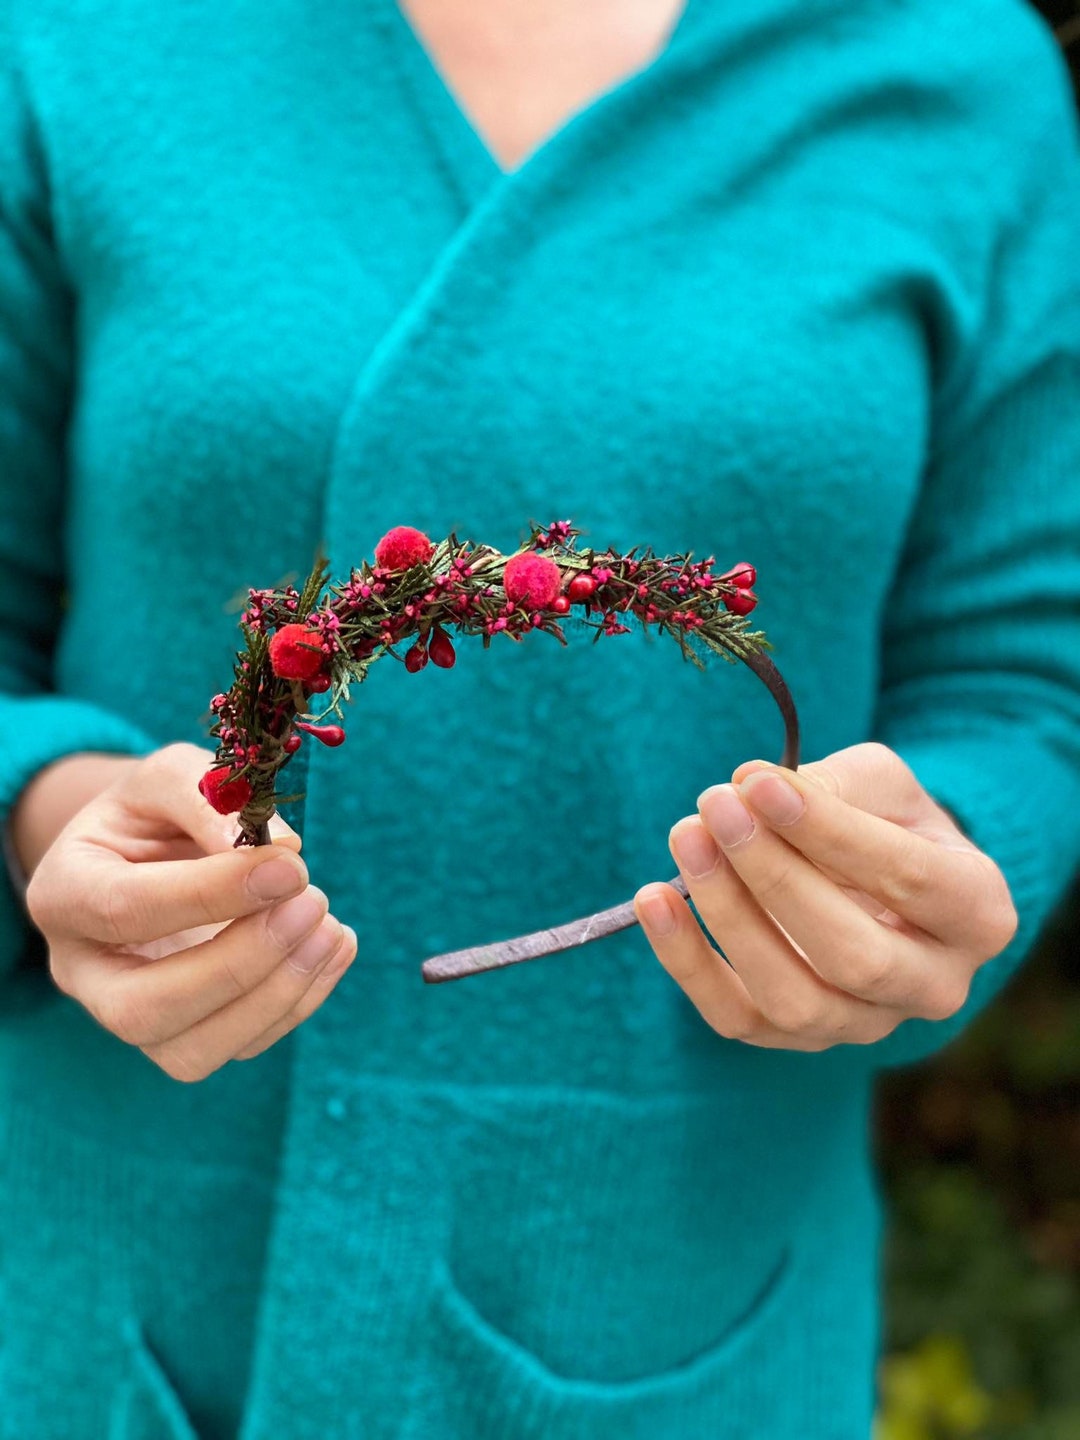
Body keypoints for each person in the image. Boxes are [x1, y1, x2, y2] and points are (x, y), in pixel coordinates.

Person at [1, 0, 1078, 1435]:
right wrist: (53, 809)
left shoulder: (955, 71)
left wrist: (939, 856)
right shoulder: (78, 36)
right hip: (117, 1277)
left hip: (672, 1283)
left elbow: (1021, 683)